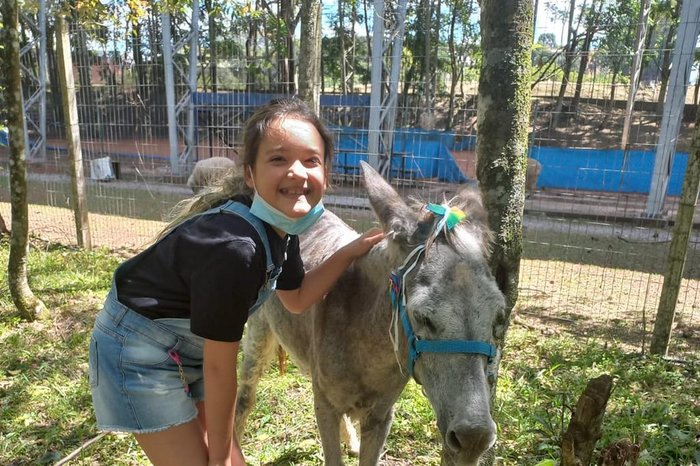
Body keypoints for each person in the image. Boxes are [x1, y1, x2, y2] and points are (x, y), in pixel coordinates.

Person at [88, 97, 384, 466]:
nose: (297, 172)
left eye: (311, 160)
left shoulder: (282, 229)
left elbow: (295, 298)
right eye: (278, 159)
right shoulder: (236, 249)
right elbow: (219, 367)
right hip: (138, 350)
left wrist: (351, 251)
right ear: (249, 173)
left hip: (186, 348)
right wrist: (217, 458)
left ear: (326, 171)